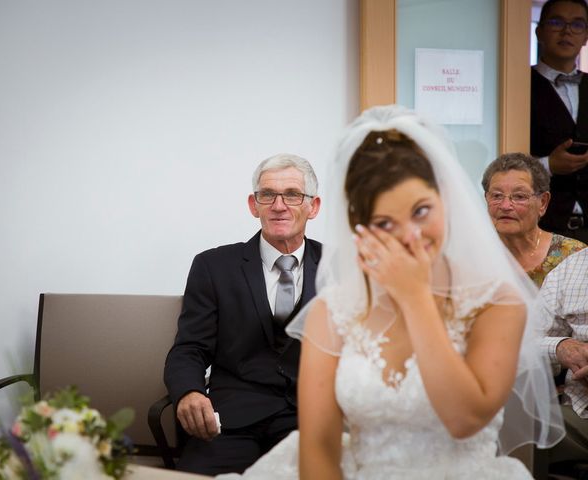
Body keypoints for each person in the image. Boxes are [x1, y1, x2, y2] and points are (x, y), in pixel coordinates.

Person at [218, 106, 564, 480]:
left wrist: (416, 299)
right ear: (359, 227)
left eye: (421, 211)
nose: (409, 235)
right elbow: (318, 446)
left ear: (445, 198)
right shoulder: (333, 311)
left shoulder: (497, 302)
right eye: (385, 222)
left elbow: (465, 419)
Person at [164, 154, 322, 475]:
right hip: (231, 421)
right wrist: (190, 392)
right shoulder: (213, 266)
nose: (279, 205)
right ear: (254, 205)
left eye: (292, 194)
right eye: (267, 195)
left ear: (313, 206)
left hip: (310, 419)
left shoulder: (341, 267)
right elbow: (189, 348)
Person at [482, 152, 586, 287]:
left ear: (543, 202)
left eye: (519, 196)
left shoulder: (573, 256)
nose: (505, 206)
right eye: (497, 195)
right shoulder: (474, 255)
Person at [531, 0, 588, 243]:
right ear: (539, 31)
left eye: (577, 24)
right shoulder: (516, 85)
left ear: (585, 36)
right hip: (540, 230)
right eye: (556, 22)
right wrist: (548, 165)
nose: (567, 31)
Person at [539, 248, 588, 472]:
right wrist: (561, 348)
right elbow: (524, 342)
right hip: (580, 415)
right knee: (513, 423)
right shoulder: (570, 269)